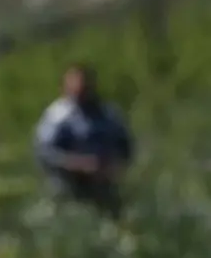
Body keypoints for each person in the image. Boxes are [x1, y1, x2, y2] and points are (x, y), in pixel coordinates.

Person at [34, 63, 135, 218]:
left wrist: (117, 163)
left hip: (106, 185)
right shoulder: (57, 116)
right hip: (70, 188)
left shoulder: (107, 112)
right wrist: (77, 164)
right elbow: (45, 153)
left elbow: (125, 144)